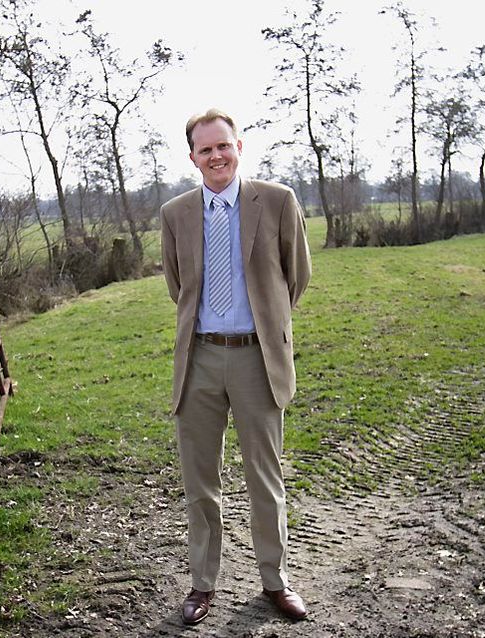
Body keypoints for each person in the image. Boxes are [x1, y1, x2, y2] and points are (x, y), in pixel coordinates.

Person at [159, 108, 312, 625]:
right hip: (199, 359)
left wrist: (263, 323)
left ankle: (275, 581)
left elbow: (297, 275)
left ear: (239, 146)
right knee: (200, 481)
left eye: (223, 145)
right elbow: (178, 286)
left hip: (257, 358)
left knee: (264, 478)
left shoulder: (276, 200)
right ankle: (202, 585)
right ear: (193, 158)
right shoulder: (176, 213)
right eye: (205, 150)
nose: (216, 156)